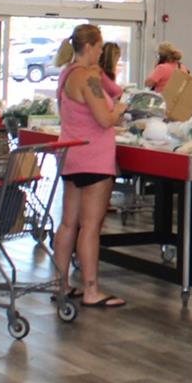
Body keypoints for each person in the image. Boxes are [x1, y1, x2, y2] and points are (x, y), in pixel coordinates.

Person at [52, 24, 128, 309]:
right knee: (90, 227)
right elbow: (105, 119)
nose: (101, 52)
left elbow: (114, 89)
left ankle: (60, 283)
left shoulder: (68, 74)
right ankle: (91, 289)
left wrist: (100, 75)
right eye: (99, 47)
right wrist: (119, 110)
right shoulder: (86, 78)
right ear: (90, 46)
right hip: (94, 158)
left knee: (68, 223)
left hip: (71, 155)